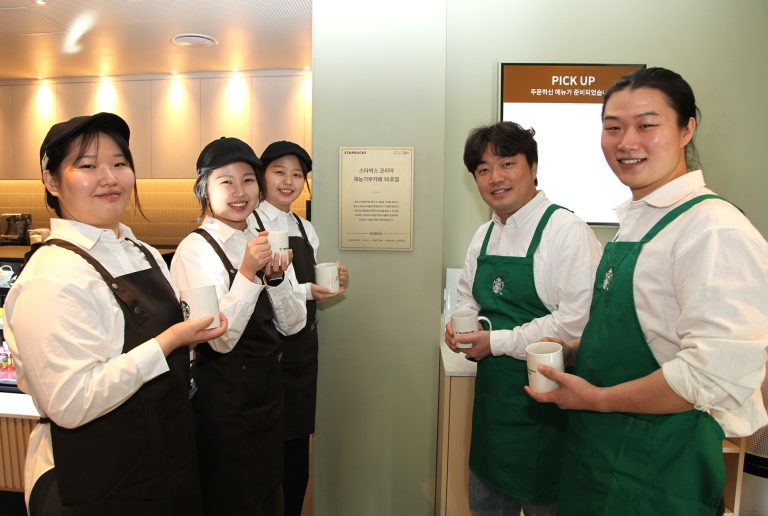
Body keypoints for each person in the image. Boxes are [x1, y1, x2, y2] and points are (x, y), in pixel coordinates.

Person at [526, 67, 768, 515]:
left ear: (686, 129)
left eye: (646, 125)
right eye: (613, 128)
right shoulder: (638, 222)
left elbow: (711, 375)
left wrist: (597, 399)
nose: (627, 142)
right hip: (598, 455)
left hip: (659, 466)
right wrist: (576, 350)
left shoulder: (714, 229)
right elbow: (654, 332)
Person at [3, 112, 227, 515]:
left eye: (119, 163)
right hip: (96, 476)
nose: (109, 178)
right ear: (52, 181)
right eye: (88, 166)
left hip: (164, 460)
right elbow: (71, 403)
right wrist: (170, 341)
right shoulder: (52, 275)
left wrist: (194, 336)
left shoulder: (141, 251)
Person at [444, 121, 602, 515]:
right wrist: (461, 326)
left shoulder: (566, 231)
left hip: (548, 414)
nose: (495, 178)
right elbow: (467, 297)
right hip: (493, 413)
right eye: (483, 169)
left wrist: (495, 342)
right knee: (485, 503)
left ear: (533, 167)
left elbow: (575, 323)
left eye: (507, 164)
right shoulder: (483, 236)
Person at [171, 137, 307, 516]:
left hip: (268, 394)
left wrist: (276, 279)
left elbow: (293, 324)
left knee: (271, 494)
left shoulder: (260, 239)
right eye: (225, 181)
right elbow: (218, 340)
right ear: (205, 190)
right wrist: (248, 274)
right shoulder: (194, 251)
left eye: (248, 180)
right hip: (225, 403)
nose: (239, 192)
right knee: (234, 499)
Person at [255, 140, 348, 516]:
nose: (288, 181)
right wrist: (310, 290)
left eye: (297, 175)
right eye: (279, 172)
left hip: (303, 352)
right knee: (266, 455)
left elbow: (302, 282)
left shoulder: (304, 227)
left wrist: (330, 281)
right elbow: (264, 288)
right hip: (267, 351)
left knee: (296, 455)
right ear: (262, 176)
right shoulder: (250, 225)